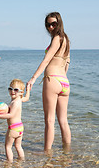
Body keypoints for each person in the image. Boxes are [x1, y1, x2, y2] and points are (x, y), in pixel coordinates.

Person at [27, 12, 71, 152]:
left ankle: (47, 154)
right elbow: (67, 62)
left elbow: (46, 60)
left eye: (54, 24)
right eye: (48, 24)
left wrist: (33, 78)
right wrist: (61, 78)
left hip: (52, 79)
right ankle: (67, 152)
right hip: (64, 82)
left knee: (49, 121)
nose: (51, 27)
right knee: (63, 121)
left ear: (59, 23)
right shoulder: (66, 40)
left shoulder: (57, 38)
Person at [0, 79, 30, 162]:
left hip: (13, 128)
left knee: (8, 146)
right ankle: (21, 160)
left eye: (16, 90)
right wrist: (28, 90)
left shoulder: (14, 103)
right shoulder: (19, 99)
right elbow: (27, 98)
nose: (12, 91)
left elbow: (11, 115)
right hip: (20, 127)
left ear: (21, 92)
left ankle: (9, 163)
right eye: (10, 89)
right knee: (18, 146)